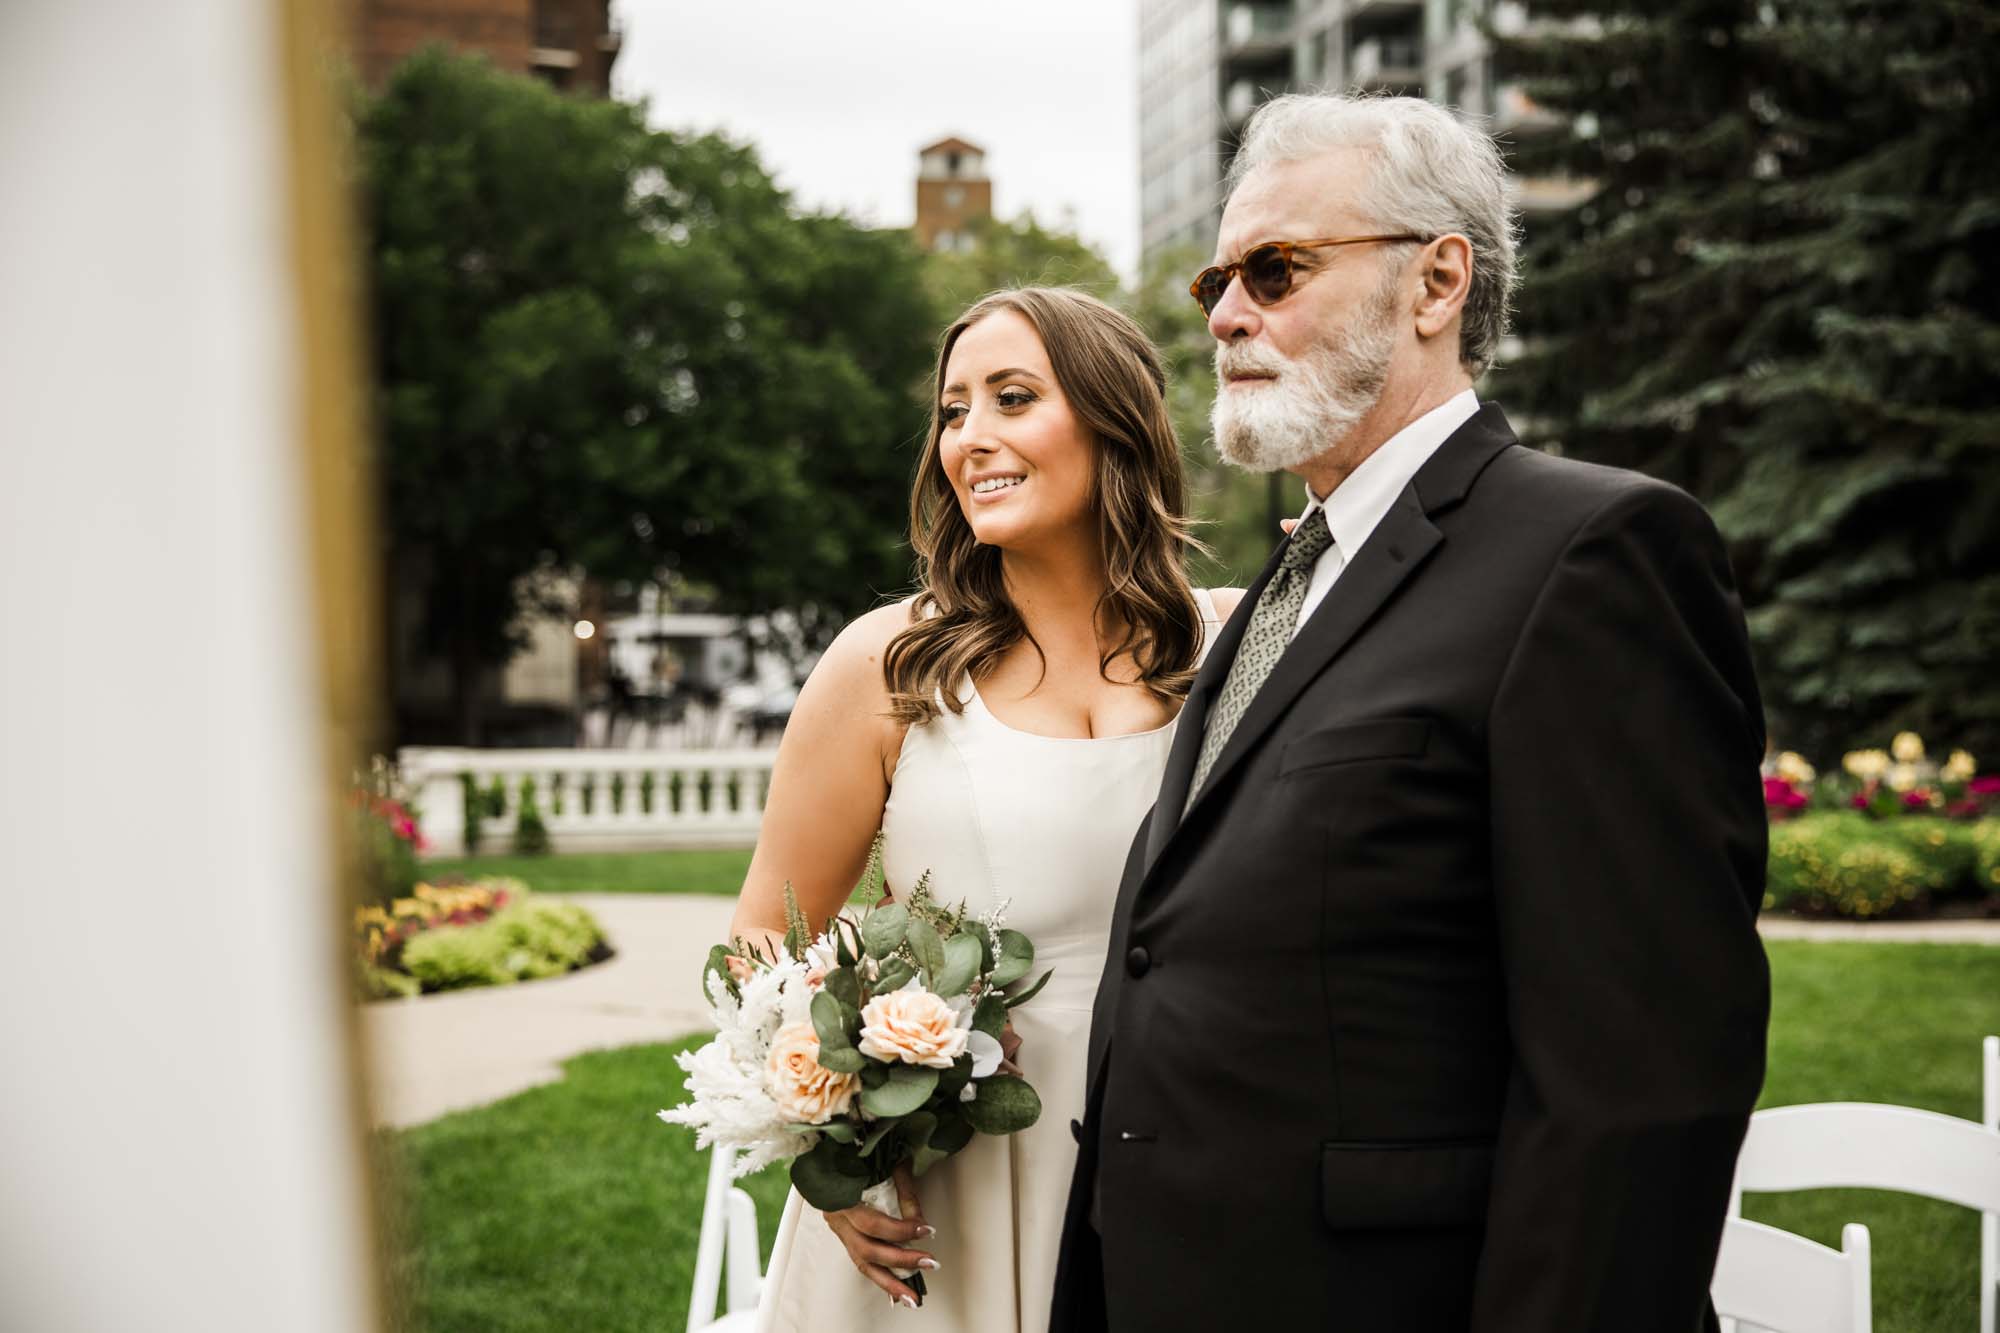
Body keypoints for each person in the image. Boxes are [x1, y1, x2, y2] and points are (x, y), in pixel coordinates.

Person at [1051, 93, 1770, 1331]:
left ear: (1436, 282)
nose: (1225, 313)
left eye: (1274, 270)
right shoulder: (1299, 565)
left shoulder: (1593, 553)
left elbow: (1637, 1080)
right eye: (1216, 280)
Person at [732, 286, 1243, 1330]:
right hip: (947, 1200)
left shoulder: (1233, 646)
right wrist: (834, 1153)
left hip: (1191, 1161)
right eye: (952, 410)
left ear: (1115, 423)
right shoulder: (887, 662)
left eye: (1012, 398)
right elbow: (759, 937)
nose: (971, 438)